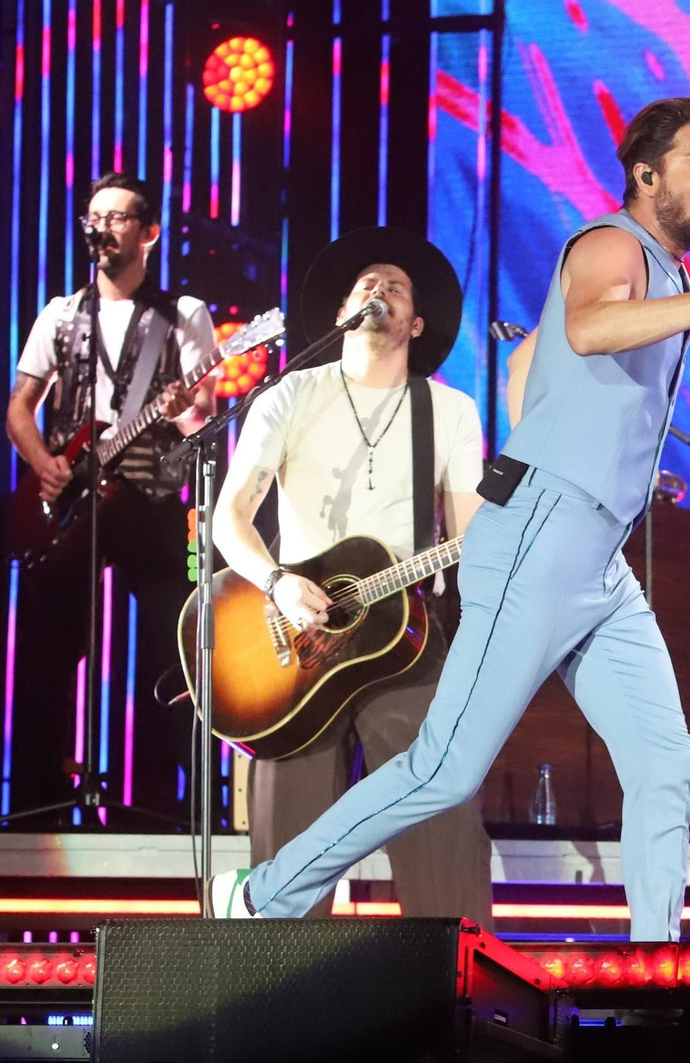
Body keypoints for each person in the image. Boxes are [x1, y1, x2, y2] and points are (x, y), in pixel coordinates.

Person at [207, 97, 690, 944]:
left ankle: (661, 969)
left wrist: (571, 436)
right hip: (546, 535)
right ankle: (265, 893)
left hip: (598, 558)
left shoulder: (671, 274)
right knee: (443, 767)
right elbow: (586, 327)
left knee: (666, 763)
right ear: (646, 174)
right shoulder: (611, 243)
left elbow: (532, 356)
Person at [211, 227, 493, 923]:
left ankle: (459, 997)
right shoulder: (289, 395)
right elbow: (229, 520)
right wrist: (276, 581)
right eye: (366, 284)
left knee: (441, 822)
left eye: (395, 287)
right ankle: (283, 1009)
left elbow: (469, 540)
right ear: (341, 310)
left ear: (417, 323)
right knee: (290, 839)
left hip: (406, 633)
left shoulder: (448, 408)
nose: (379, 291)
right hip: (297, 647)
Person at [5, 172, 217, 815]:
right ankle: (37, 798)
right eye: (93, 216)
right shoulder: (60, 315)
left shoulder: (183, 316)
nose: (100, 227)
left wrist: (182, 407)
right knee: (44, 651)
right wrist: (43, 463)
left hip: (152, 505)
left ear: (149, 232)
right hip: (72, 503)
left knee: (172, 647)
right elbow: (19, 407)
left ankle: (178, 805)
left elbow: (201, 416)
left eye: (117, 216)